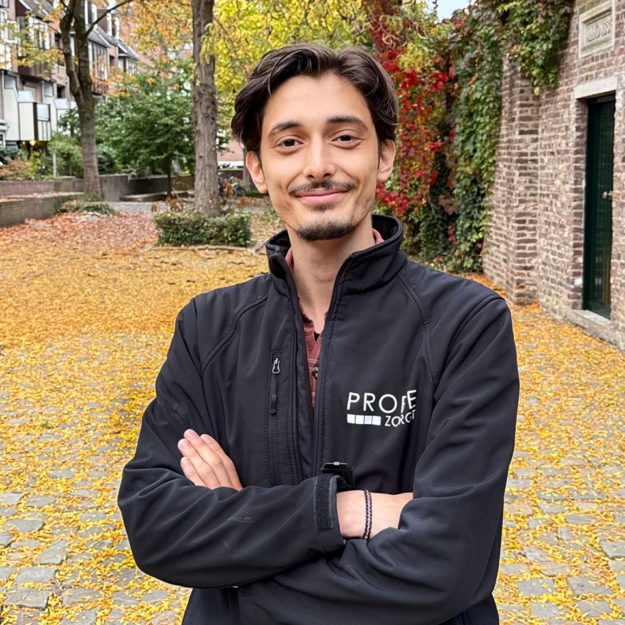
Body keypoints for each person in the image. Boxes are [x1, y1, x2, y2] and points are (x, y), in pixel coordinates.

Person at [118, 43, 518, 625]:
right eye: (288, 142)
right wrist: (343, 512)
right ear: (257, 168)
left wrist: (235, 557)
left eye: (345, 137)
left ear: (384, 156)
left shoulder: (465, 324)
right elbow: (156, 525)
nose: (318, 165)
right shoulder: (207, 328)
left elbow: (444, 563)